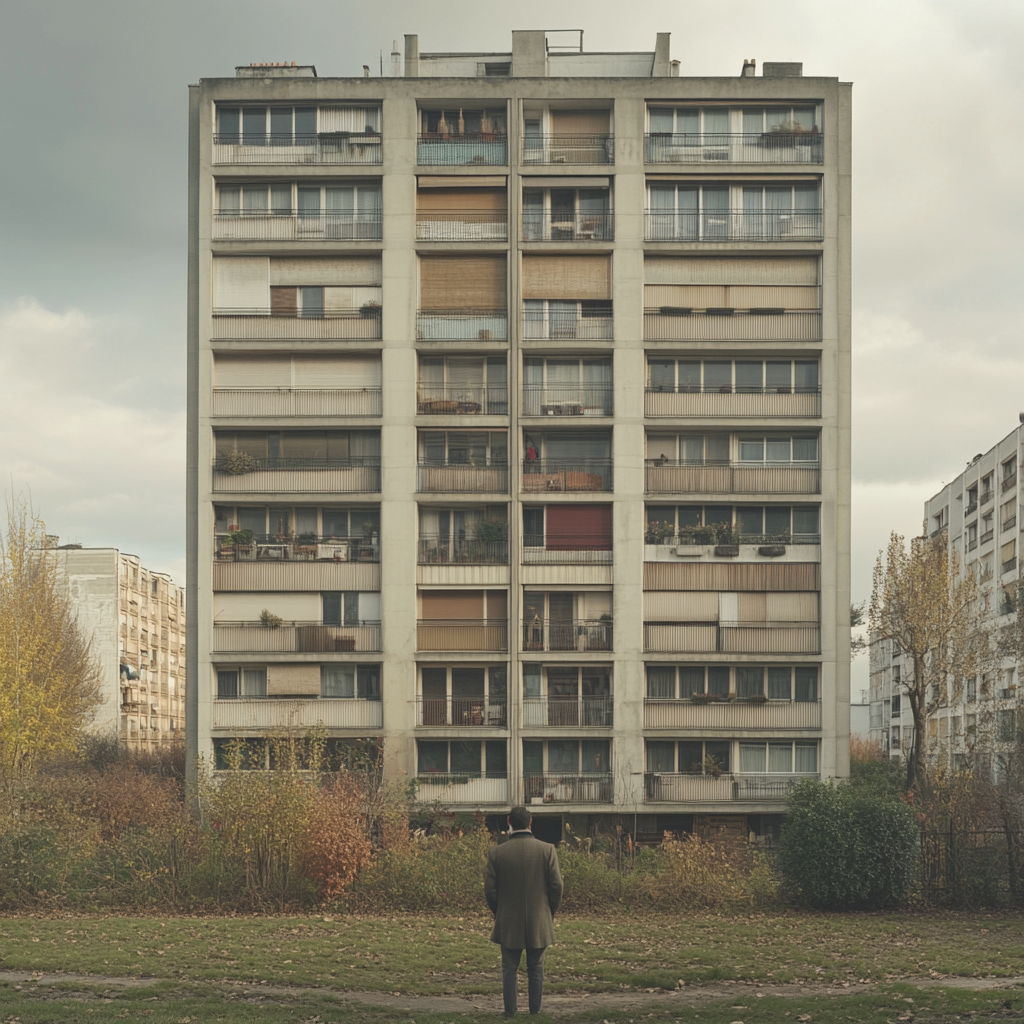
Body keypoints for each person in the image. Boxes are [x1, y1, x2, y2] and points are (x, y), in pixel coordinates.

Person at [484, 806, 563, 1017]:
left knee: (509, 968)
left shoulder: (496, 853)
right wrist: (548, 911)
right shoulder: (547, 850)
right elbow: (556, 886)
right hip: (539, 918)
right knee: (536, 968)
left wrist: (499, 912)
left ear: (509, 821)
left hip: (508, 919)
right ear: (531, 822)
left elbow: (490, 890)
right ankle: (534, 1012)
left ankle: (510, 1012)